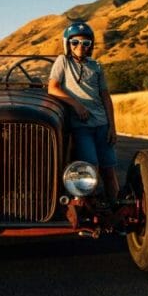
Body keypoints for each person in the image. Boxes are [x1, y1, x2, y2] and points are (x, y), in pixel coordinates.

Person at [48, 21, 119, 201]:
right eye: (75, 42)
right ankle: (89, 212)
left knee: (108, 170)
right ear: (68, 44)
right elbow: (53, 88)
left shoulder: (96, 66)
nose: (80, 46)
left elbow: (105, 97)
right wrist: (76, 105)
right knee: (90, 169)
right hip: (81, 126)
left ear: (91, 46)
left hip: (102, 124)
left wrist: (112, 126)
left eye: (86, 43)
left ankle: (114, 209)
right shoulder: (62, 61)